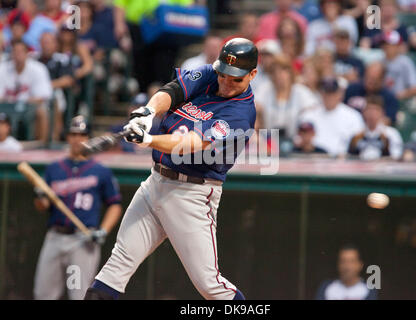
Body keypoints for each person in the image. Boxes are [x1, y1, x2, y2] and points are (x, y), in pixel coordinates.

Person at [84, 38, 257, 300]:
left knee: (211, 286)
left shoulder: (240, 113)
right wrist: (147, 112)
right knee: (113, 271)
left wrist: (150, 140)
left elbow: (192, 143)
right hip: (155, 184)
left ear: (252, 74)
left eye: (236, 79)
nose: (226, 82)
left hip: (192, 195)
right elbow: (174, 90)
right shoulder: (212, 74)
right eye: (223, 74)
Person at [33, 115, 123, 300]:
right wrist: (41, 198)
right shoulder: (54, 169)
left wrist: (103, 231)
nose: (77, 139)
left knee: (79, 295)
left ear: (89, 138)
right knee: (43, 294)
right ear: (67, 137)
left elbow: (115, 205)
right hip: (55, 237)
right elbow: (43, 206)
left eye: (82, 134)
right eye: (73, 134)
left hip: (82, 240)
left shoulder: (101, 171)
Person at [255, 54, 321, 140]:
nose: (279, 75)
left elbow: (314, 109)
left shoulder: (299, 91)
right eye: (275, 72)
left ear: (290, 72)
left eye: (283, 71)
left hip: (294, 141)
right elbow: (254, 106)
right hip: (268, 140)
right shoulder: (265, 89)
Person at [0, 39, 53, 142]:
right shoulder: (2, 68)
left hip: (30, 107)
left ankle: (41, 144)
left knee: (42, 111)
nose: (17, 55)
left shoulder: (38, 68)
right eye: (15, 51)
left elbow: (44, 96)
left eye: (21, 51)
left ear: (27, 53)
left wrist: (24, 101)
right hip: (6, 107)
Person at [302, 77, 365, 157]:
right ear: (321, 93)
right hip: (313, 159)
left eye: (332, 93)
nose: (329, 97)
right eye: (326, 93)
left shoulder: (353, 116)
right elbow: (299, 141)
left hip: (343, 163)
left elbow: (359, 144)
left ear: (340, 94)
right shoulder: (308, 115)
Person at [35, 31, 74, 141]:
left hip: (54, 93)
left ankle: (54, 138)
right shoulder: (33, 58)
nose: (46, 45)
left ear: (55, 44)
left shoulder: (62, 58)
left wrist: (45, 87)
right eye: (43, 42)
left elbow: (68, 80)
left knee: (56, 97)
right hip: (34, 95)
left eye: (48, 42)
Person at [348, 95, 403, 160]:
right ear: (363, 112)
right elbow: (349, 157)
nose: (372, 113)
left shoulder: (391, 134)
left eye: (376, 110)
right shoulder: (355, 134)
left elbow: (396, 157)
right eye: (369, 109)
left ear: (382, 112)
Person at [381, 30, 416, 100]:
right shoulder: (380, 61)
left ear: (397, 46)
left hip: (401, 102)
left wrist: (401, 94)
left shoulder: (405, 62)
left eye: (389, 44)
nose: (385, 47)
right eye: (384, 44)